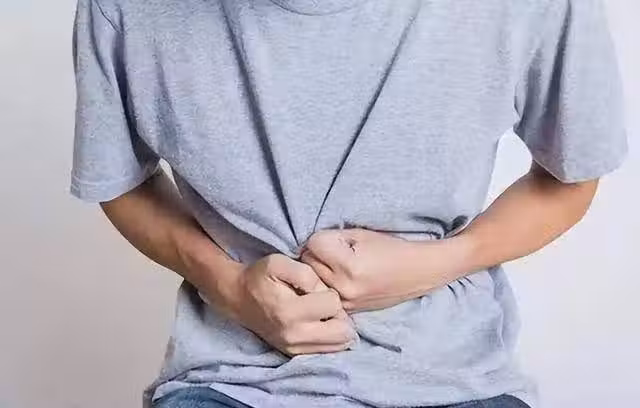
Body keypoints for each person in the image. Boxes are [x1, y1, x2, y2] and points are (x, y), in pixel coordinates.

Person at [70, 0, 627, 407]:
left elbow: (569, 178)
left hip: (453, 380)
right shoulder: (125, 9)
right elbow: (119, 181)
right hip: (229, 382)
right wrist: (229, 286)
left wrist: (440, 261)